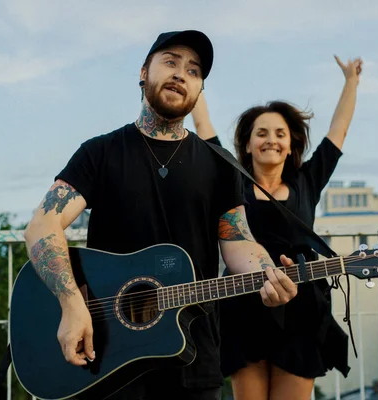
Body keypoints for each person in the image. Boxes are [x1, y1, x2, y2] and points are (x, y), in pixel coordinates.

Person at [23, 30, 299, 400]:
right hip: (107, 355)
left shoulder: (220, 166)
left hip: (192, 355)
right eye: (170, 61)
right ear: (143, 72)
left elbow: (237, 240)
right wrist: (71, 304)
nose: (181, 74)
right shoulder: (101, 153)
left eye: (194, 70)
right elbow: (42, 224)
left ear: (199, 90)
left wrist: (266, 273)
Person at [191, 55, 363, 400]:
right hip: (242, 308)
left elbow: (338, 131)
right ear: (248, 143)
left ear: (291, 144)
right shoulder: (231, 180)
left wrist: (351, 82)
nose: (271, 139)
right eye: (262, 133)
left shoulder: (307, 182)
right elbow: (204, 126)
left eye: (280, 134)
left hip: (301, 310)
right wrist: (195, 76)